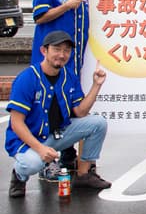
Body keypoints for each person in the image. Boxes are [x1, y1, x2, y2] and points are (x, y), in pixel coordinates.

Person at [7, 31, 111, 198]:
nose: (62, 55)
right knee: (32, 164)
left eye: (66, 50)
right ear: (44, 51)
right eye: (56, 49)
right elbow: (16, 123)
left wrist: (96, 85)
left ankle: (84, 175)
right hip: (29, 141)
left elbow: (80, 112)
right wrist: (40, 148)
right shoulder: (27, 78)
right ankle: (19, 176)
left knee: (98, 123)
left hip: (56, 135)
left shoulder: (69, 75)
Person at [31, 0, 92, 175]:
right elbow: (39, 16)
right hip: (50, 63)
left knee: (67, 109)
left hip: (72, 63)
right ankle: (45, 160)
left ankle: (68, 156)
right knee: (47, 109)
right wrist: (66, 6)